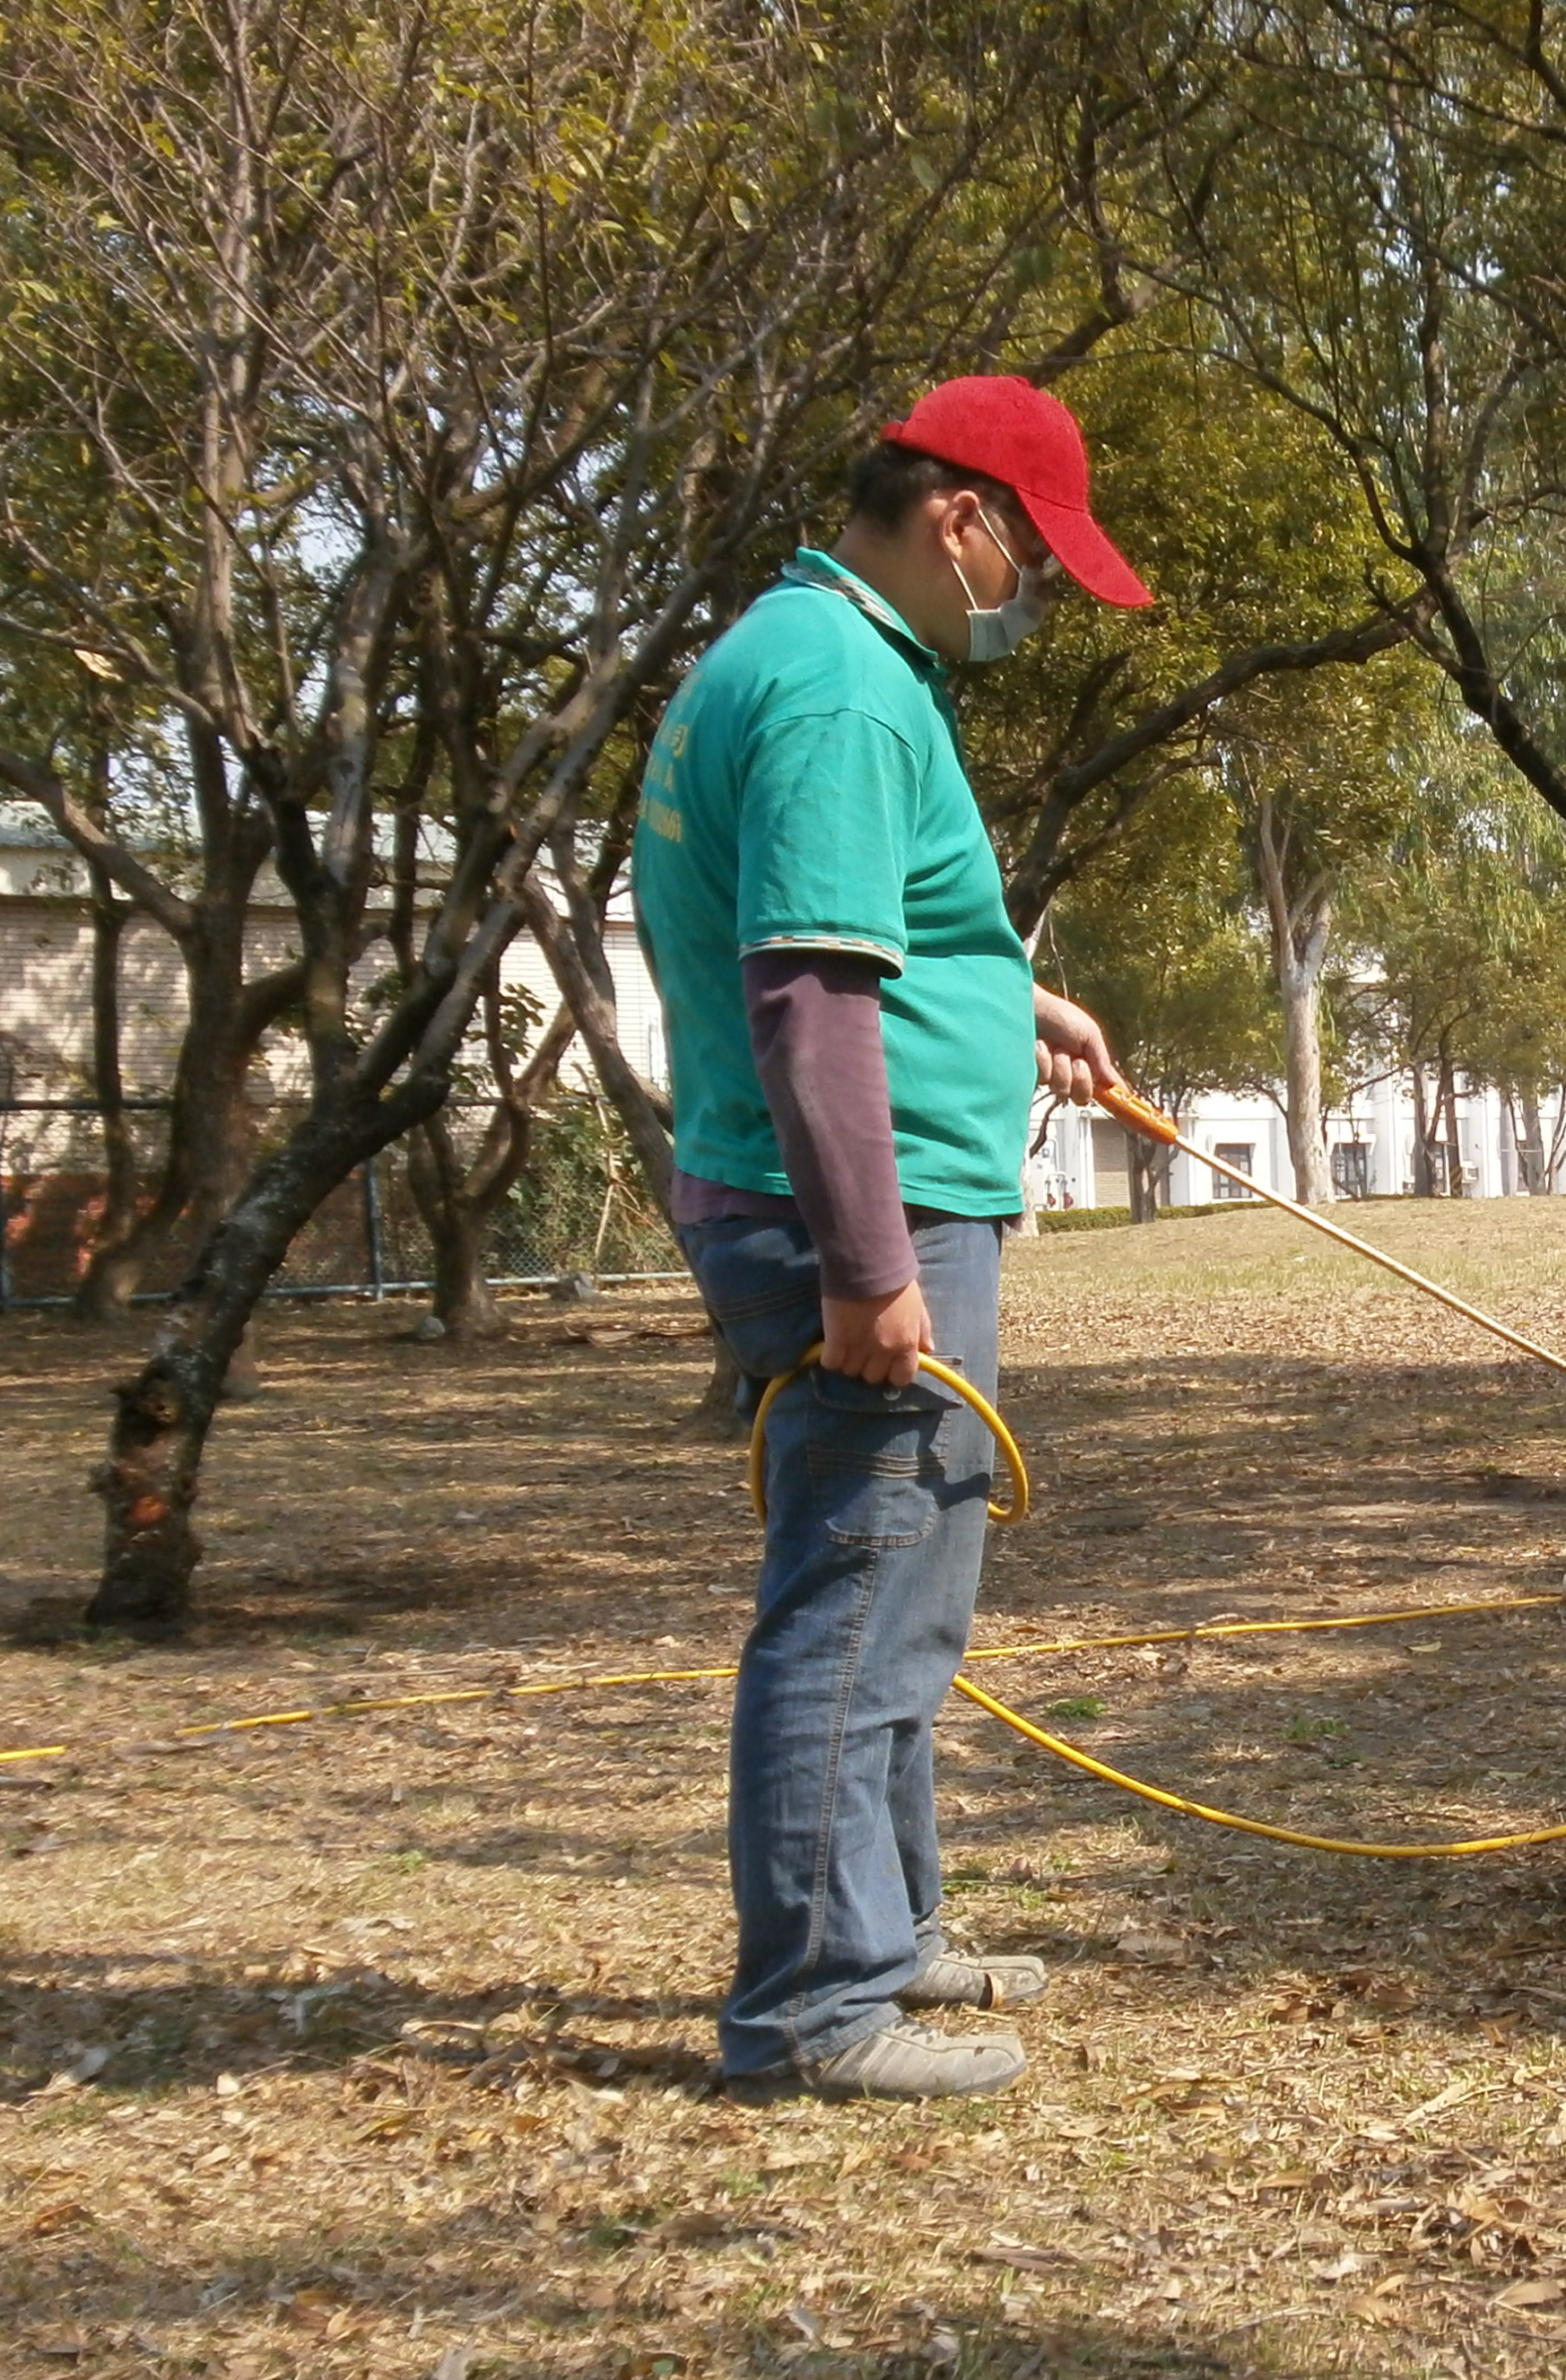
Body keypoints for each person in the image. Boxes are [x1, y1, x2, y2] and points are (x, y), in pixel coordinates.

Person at [637, 374, 1152, 2100]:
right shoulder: (845, 691)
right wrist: (870, 1268)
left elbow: (873, 945)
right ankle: (810, 2010)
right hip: (856, 1229)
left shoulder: (806, 656)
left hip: (860, 1207)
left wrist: (1019, 1009)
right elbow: (805, 995)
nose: (1037, 600)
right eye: (1039, 565)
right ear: (960, 518)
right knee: (857, 1597)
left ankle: (889, 1932)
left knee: (904, 1592)